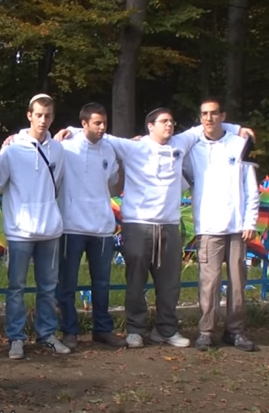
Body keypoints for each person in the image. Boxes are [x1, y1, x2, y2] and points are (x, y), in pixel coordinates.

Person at [56, 108, 252, 349]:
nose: (169, 125)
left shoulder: (180, 142)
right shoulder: (133, 147)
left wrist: (237, 129)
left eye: (172, 121)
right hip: (138, 224)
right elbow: (99, 133)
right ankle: (135, 330)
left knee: (170, 284)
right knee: (136, 282)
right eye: (164, 121)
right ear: (150, 126)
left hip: (169, 225)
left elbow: (207, 125)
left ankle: (166, 330)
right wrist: (73, 130)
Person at [0, 94, 70, 359]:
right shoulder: (12, 149)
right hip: (19, 231)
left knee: (48, 287)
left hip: (50, 230)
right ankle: (16, 338)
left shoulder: (58, 149)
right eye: (39, 115)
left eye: (48, 116)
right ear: (29, 116)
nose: (43, 120)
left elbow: (58, 184)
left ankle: (47, 334)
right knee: (16, 288)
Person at [182, 97, 259, 352]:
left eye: (214, 113)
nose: (209, 118)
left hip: (237, 227)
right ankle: (206, 331)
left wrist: (250, 221)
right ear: (199, 117)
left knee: (238, 283)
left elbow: (251, 187)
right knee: (209, 283)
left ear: (223, 116)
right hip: (208, 227)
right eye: (204, 113)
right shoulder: (193, 148)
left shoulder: (240, 144)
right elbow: (183, 175)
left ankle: (235, 331)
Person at [53, 103, 127, 350]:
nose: (102, 127)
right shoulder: (66, 146)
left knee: (102, 283)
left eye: (104, 122)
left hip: (102, 226)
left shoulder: (108, 149)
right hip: (71, 226)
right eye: (97, 123)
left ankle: (102, 329)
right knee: (67, 283)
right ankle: (70, 331)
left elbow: (113, 180)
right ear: (84, 124)